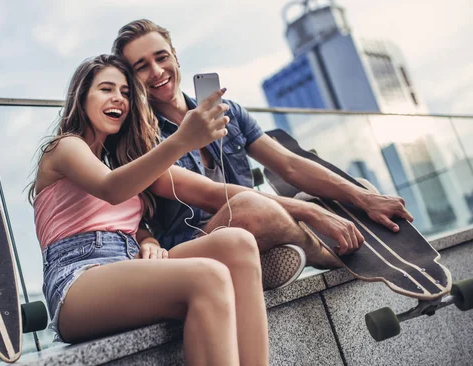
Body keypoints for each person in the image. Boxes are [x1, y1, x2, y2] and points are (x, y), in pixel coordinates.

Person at [112, 19, 414, 271]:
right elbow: (214, 196)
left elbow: (289, 165)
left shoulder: (228, 110)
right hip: (199, 241)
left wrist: (361, 197)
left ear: (175, 57)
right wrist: (313, 214)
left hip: (257, 216)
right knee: (252, 206)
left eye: (161, 57)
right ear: (131, 78)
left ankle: (276, 251)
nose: (156, 71)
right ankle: (328, 255)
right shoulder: (137, 141)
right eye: (141, 66)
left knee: (357, 186)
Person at [29, 54, 270, 365]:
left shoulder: (117, 165)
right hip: (77, 282)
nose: (118, 98)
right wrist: (182, 141)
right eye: (106, 89)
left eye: (126, 92)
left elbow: (121, 221)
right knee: (208, 276)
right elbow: (112, 190)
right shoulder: (64, 147)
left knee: (237, 243)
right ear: (81, 96)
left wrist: (147, 240)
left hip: (126, 263)